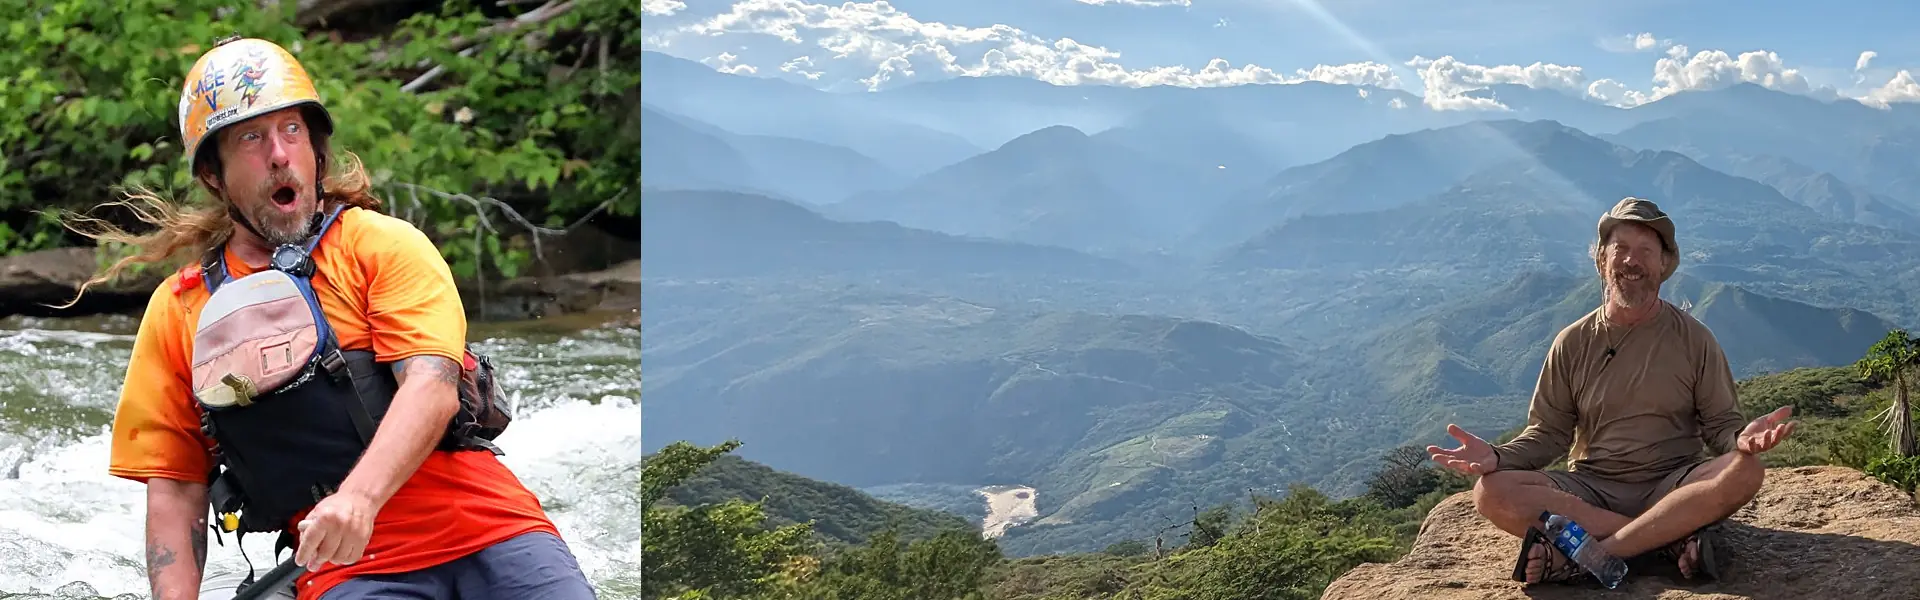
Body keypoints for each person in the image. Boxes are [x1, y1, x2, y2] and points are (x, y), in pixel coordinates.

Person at [69, 37, 597, 599]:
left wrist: (358, 500)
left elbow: (432, 384)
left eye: (292, 130)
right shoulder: (179, 311)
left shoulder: (382, 245)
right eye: (251, 138)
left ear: (316, 150)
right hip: (348, 572)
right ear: (213, 176)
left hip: (492, 530)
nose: (278, 153)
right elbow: (176, 490)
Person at [1426, 197, 1797, 585]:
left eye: (1645, 252)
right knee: (1492, 491)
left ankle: (1592, 555)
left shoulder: (1694, 339)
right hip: (1592, 491)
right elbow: (1548, 434)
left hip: (1673, 485)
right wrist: (1498, 456)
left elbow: (1720, 426)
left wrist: (1741, 440)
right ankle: (1665, 538)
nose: (1631, 261)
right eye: (1621, 249)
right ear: (1601, 259)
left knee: (1746, 471)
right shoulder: (1572, 342)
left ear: (1663, 265)